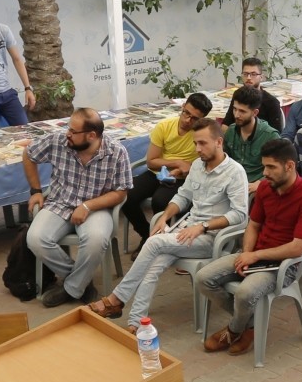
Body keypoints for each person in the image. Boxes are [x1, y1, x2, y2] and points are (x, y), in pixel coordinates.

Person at [88, 120, 247, 329]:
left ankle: (116, 299)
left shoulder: (235, 172)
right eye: (195, 143)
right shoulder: (198, 166)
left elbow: (240, 214)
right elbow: (182, 196)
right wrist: (164, 217)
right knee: (154, 265)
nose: (197, 149)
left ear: (218, 142)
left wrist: (203, 226)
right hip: (185, 231)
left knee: (153, 243)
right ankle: (136, 324)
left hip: (212, 238)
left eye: (202, 143)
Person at [199, 139, 302, 356]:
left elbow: (297, 248)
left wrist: (255, 255)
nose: (265, 173)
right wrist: (247, 253)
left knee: (245, 293)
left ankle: (233, 330)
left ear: (289, 166)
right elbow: (253, 225)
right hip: (254, 254)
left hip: (283, 265)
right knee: (203, 278)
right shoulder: (266, 187)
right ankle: (251, 324)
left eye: (271, 167)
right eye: (264, 166)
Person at [24, 108, 132, 307]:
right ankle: (81, 283)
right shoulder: (58, 141)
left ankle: (70, 289)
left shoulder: (116, 152)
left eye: (73, 131)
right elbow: (28, 154)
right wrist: (36, 191)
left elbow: (121, 192)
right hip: (59, 202)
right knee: (35, 238)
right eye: (68, 128)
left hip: (97, 207)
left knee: (96, 239)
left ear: (91, 135)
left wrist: (88, 206)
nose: (68, 134)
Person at [122, 92, 209, 245]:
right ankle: (147, 235)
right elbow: (151, 162)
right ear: (182, 107)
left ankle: (161, 240)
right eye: (186, 113)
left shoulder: (201, 134)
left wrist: (182, 169)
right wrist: (177, 163)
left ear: (202, 119)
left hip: (183, 178)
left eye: (194, 118)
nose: (187, 120)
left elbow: (202, 164)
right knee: (126, 196)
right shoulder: (164, 126)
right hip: (157, 172)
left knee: (160, 201)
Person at [223, 85, 280, 196]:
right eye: (235, 109)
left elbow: (277, 168)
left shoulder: (270, 136)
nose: (236, 115)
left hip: (256, 186)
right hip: (233, 183)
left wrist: (260, 183)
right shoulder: (231, 131)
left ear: (255, 113)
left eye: (242, 111)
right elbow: (225, 161)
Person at [239, 57, 283, 134]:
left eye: (253, 74)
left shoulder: (272, 102)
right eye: (245, 74)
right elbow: (227, 123)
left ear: (261, 77)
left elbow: (276, 135)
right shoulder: (238, 96)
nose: (248, 78)